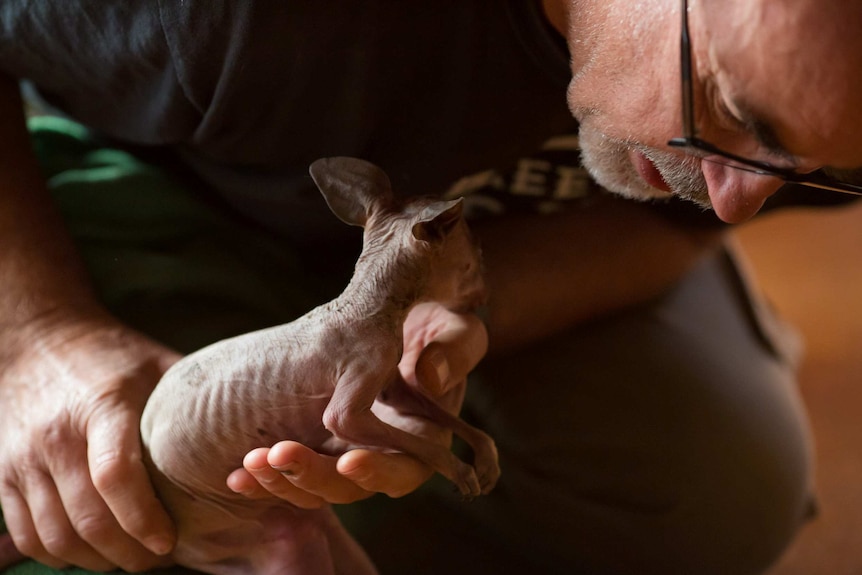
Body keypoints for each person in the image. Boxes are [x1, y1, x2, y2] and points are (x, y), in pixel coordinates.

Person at [0, 0, 858, 573]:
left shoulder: (807, 102)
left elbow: (680, 228)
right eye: (739, 112)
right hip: (163, 201)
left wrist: (470, 310)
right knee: (94, 490)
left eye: (823, 168)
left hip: (481, 253)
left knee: (724, 489)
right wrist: (37, 331)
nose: (741, 201)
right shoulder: (233, 23)